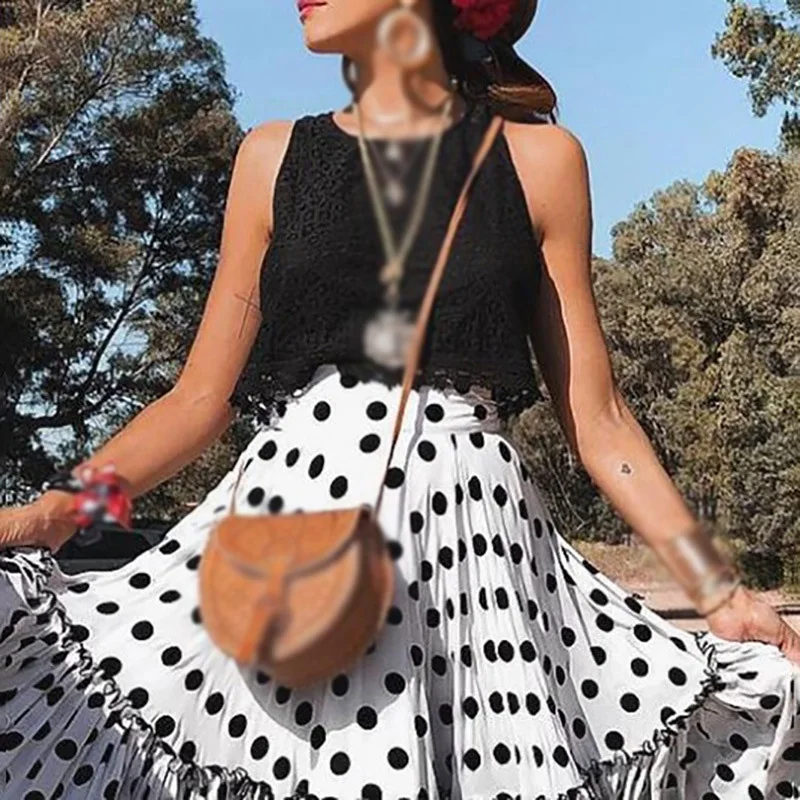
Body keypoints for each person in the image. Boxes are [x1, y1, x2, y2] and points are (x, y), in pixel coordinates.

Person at [1, 1, 799, 798]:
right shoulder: (270, 158)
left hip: (474, 571)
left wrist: (718, 589)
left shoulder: (542, 162)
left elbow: (601, 422)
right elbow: (195, 403)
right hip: (289, 551)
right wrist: (56, 513)